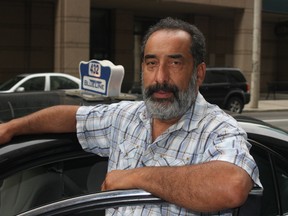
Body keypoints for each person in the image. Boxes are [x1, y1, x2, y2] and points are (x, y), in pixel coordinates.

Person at [0, 17, 261, 215]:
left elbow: (231, 185)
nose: (160, 78)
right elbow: (69, 117)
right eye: (151, 63)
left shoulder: (218, 129)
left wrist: (134, 176)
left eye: (175, 63)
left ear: (199, 73)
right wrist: (12, 128)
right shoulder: (126, 116)